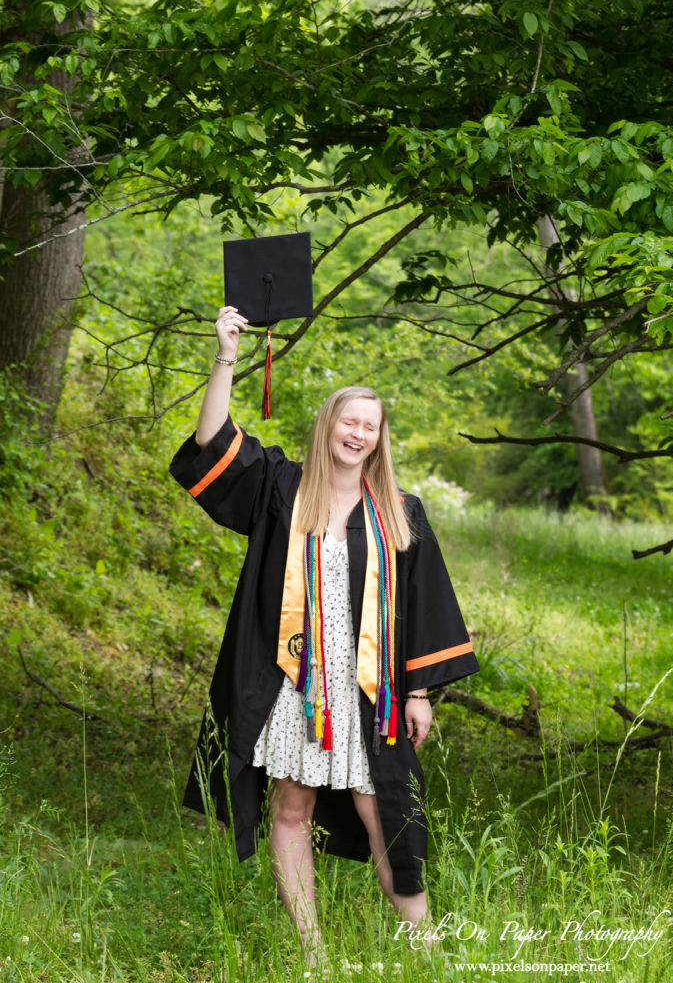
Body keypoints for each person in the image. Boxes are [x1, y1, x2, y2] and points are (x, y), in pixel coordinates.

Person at [170, 305, 479, 962]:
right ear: (328, 425)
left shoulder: (400, 513)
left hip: (372, 688)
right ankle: (311, 952)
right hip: (292, 680)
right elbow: (211, 445)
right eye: (349, 421)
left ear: (378, 438)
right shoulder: (283, 488)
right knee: (291, 809)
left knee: (386, 811)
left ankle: (422, 949)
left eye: (370, 426)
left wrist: (421, 691)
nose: (358, 434)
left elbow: (425, 604)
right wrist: (225, 354)